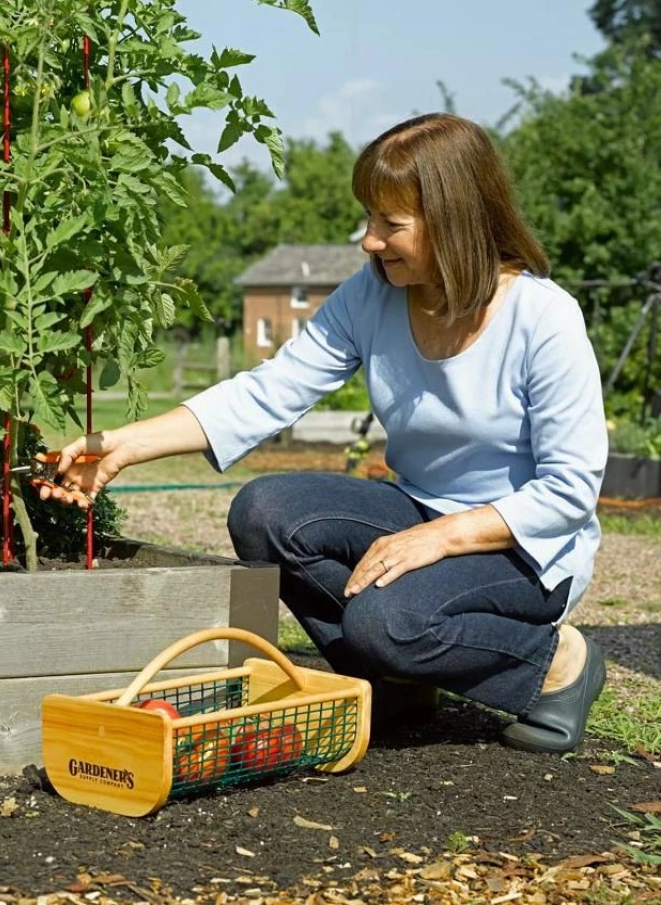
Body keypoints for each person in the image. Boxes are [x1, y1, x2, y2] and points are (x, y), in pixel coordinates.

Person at [42, 113, 609, 754]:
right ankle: (394, 678)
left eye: (390, 225)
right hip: (419, 506)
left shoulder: (542, 317)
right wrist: (125, 446)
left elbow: (570, 490)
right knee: (265, 512)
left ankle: (555, 664)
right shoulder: (372, 297)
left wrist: (442, 536)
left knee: (384, 621)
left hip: (525, 545)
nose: (369, 242)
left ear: (456, 219)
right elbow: (269, 392)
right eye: (369, 220)